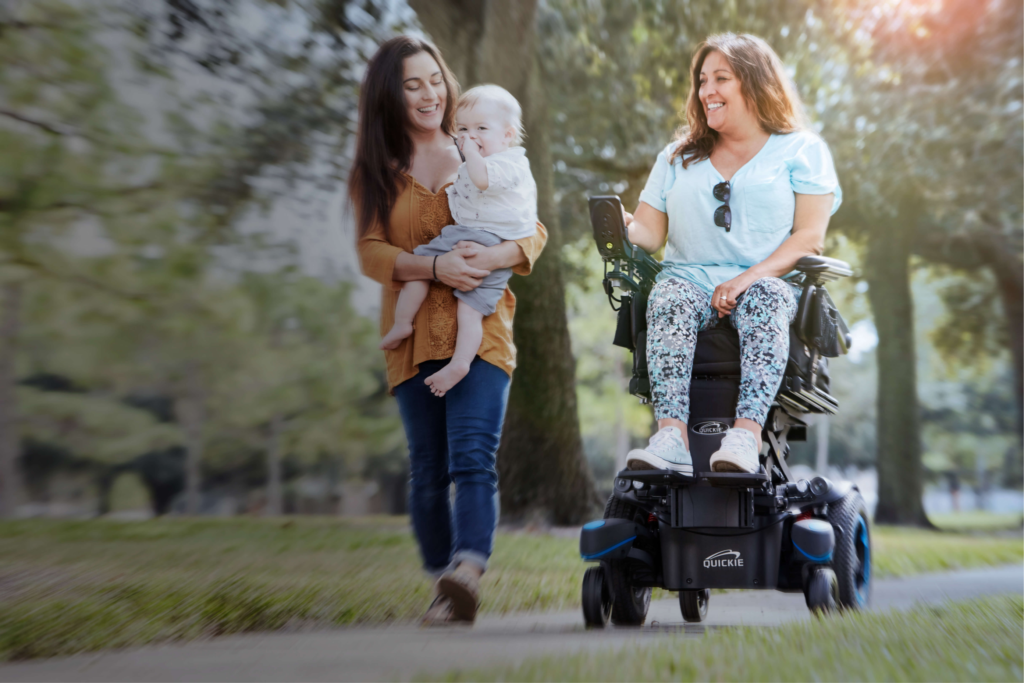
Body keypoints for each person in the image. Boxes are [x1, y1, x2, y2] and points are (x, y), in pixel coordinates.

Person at [351, 36, 547, 626]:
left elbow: (532, 230)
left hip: (480, 328)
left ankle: (466, 574)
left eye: (435, 79)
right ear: (390, 95)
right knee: (428, 471)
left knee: (473, 458)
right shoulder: (375, 171)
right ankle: (442, 578)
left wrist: (495, 257)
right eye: (412, 85)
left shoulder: (481, 142)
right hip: (412, 335)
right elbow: (371, 252)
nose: (429, 93)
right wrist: (434, 268)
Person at [623, 33, 842, 475]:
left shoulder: (802, 150)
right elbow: (648, 232)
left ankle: (745, 436)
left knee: (766, 297)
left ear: (755, 82)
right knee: (667, 296)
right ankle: (671, 438)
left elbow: (809, 238)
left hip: (766, 281)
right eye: (702, 80)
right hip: (688, 281)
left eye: (721, 78)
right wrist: (619, 224)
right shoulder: (677, 157)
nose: (707, 90)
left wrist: (747, 278)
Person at [379, 85, 538, 398]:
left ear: (507, 135)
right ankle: (404, 323)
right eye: (463, 129)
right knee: (424, 271)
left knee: (468, 308)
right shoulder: (475, 162)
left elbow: (482, 179)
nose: (470, 136)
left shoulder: (509, 164)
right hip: (463, 236)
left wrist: (471, 154)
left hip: (489, 240)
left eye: (481, 129)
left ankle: (459, 362)